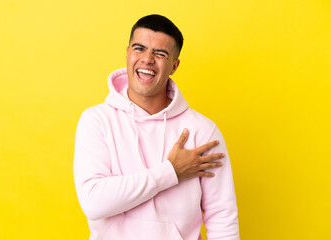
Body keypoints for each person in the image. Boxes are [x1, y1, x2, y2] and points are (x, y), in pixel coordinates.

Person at [74, 14, 239, 240]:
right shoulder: (97, 120)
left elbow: (222, 216)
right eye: (139, 48)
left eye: (160, 54)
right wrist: (170, 172)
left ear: (174, 65)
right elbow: (93, 203)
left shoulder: (203, 131)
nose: (147, 59)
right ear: (127, 53)